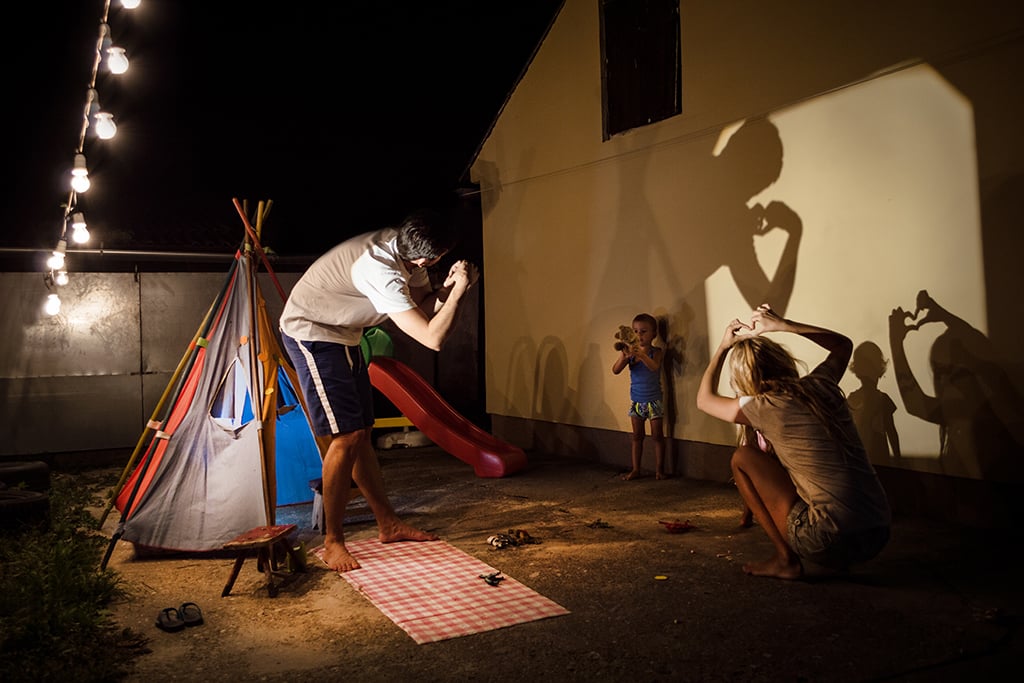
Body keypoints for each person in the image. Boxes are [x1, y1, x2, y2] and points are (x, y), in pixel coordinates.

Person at [279, 209, 479, 572]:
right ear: (427, 257)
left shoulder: (402, 246)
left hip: (345, 334)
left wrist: (447, 289)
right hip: (312, 333)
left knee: (362, 434)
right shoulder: (380, 271)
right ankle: (332, 542)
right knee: (346, 437)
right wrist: (461, 291)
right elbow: (432, 338)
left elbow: (421, 307)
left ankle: (388, 524)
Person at [696, 304, 891, 580]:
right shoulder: (822, 384)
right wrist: (782, 324)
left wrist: (723, 347)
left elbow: (704, 400)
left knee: (742, 458)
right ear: (782, 360)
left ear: (744, 378)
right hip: (879, 530)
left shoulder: (764, 406)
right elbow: (843, 344)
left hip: (828, 539)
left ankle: (785, 560)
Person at [611, 313, 667, 480]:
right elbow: (615, 370)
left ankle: (659, 469)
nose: (639, 335)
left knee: (657, 436)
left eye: (644, 331)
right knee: (637, 436)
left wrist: (641, 355)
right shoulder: (630, 353)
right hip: (637, 401)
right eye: (635, 331)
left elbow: (654, 367)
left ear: (654, 334)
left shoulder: (657, 352)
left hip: (654, 400)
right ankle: (636, 469)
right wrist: (624, 356)